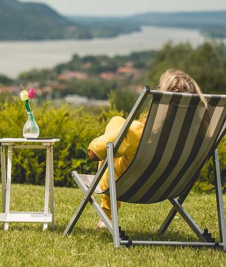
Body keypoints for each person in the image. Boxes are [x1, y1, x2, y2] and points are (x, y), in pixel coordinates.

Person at [87, 69, 207, 228]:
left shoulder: (138, 132)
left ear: (159, 98)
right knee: (119, 125)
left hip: (125, 187)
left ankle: (107, 215)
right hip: (169, 187)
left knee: (116, 125)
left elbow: (94, 152)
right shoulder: (199, 138)